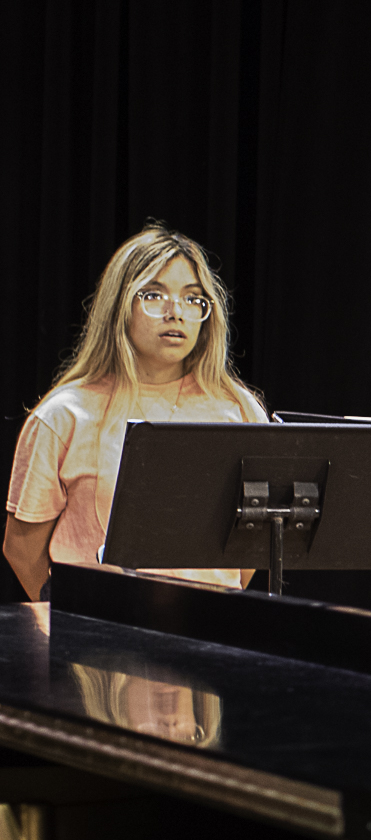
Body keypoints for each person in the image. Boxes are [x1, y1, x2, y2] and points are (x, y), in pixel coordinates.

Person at [4, 223, 267, 601]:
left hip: (209, 626)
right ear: (120, 304)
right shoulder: (65, 415)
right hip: (97, 627)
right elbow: (22, 550)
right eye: (154, 295)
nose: (176, 312)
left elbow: (250, 546)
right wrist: (74, 621)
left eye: (193, 298)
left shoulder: (239, 409)